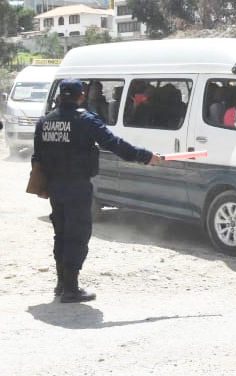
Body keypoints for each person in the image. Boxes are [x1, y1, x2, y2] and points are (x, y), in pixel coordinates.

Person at [32, 79, 162, 303]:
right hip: (77, 185)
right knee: (77, 235)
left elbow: (37, 157)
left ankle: (62, 283)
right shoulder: (85, 120)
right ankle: (71, 289)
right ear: (81, 96)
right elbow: (115, 144)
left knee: (61, 233)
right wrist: (145, 156)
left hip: (55, 186)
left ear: (61, 96)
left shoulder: (44, 121)